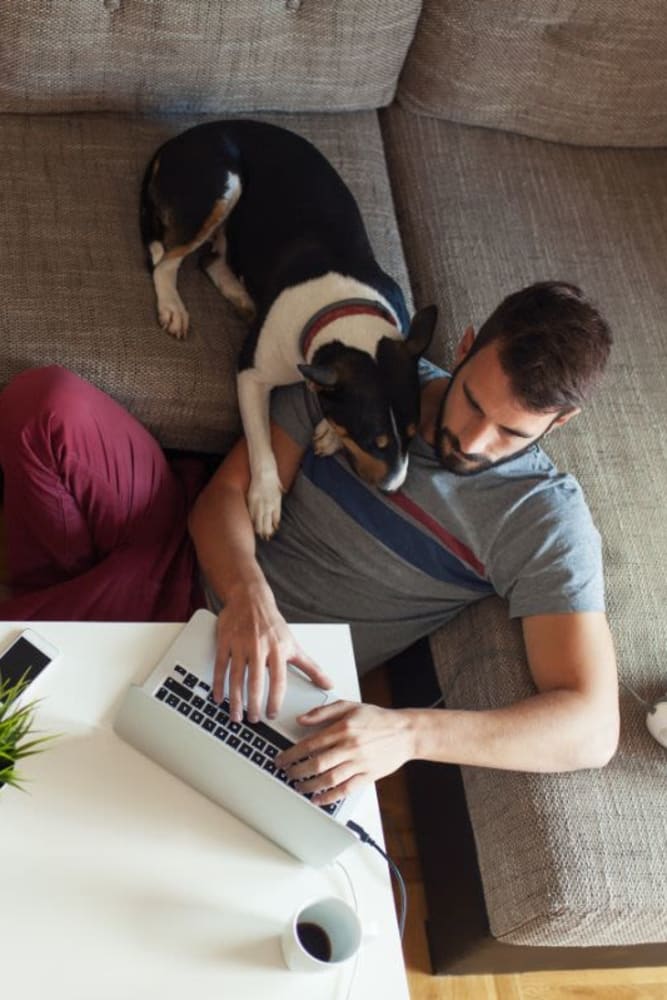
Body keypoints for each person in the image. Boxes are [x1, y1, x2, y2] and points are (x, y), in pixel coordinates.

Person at [0, 281, 619, 806]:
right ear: (464, 346)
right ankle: (67, 611)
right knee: (47, 405)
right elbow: (224, 497)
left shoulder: (542, 521)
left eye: (510, 432)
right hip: (187, 548)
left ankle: (61, 615)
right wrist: (249, 598)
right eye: (472, 402)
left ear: (559, 423)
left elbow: (591, 729)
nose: (473, 440)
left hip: (246, 680)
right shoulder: (361, 373)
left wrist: (407, 735)